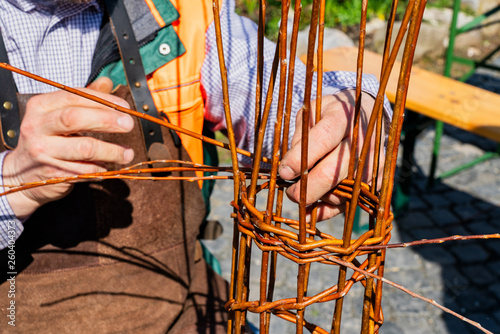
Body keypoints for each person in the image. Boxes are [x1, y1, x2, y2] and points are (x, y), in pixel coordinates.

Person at [0, 0, 391, 332]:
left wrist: (346, 112)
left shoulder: (181, 9)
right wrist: (12, 184)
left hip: (187, 309)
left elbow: (279, 92)